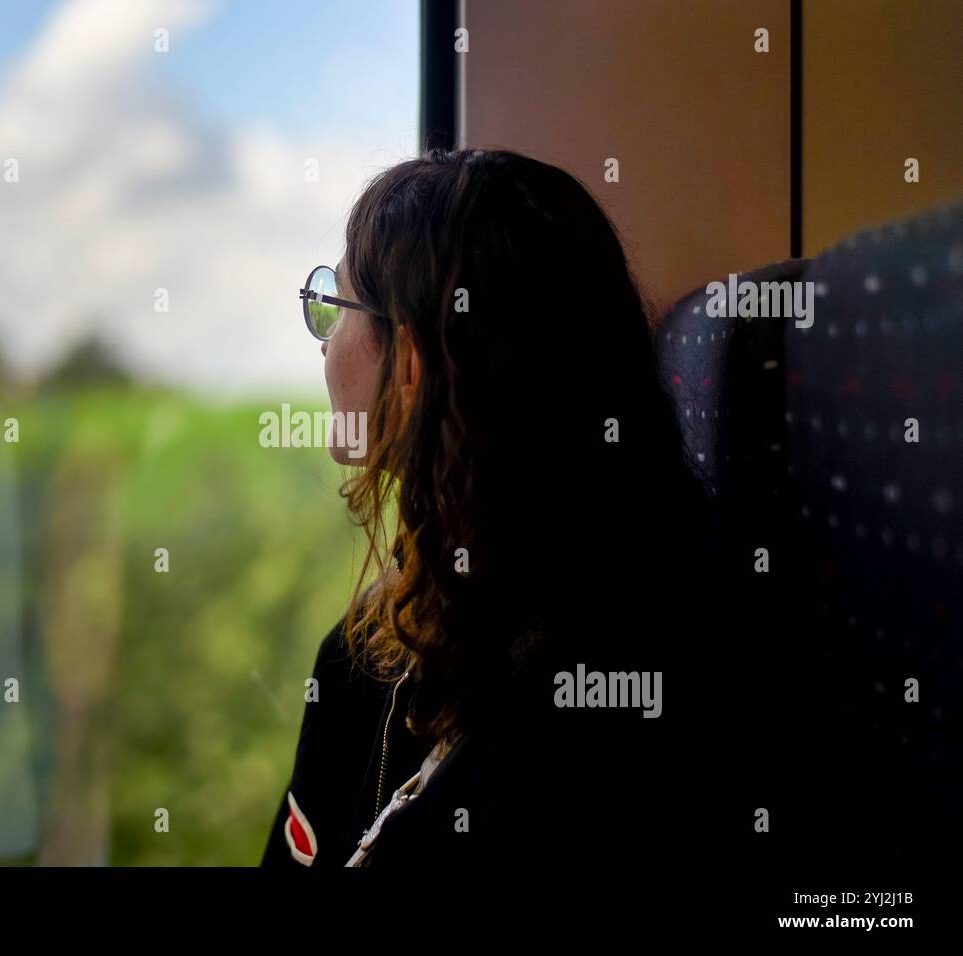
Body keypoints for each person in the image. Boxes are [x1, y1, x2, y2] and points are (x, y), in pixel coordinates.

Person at [262, 147, 736, 871]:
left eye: (338, 307)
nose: (325, 348)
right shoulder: (685, 619)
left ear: (412, 364)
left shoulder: (581, 723)